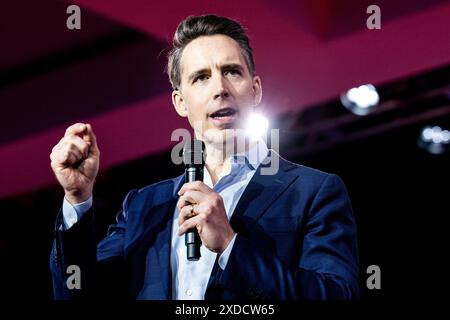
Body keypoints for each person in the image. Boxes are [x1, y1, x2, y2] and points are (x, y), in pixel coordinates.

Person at [49, 14, 359, 300]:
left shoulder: (313, 191)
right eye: (201, 77)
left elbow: (337, 295)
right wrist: (77, 198)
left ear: (255, 90)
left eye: (231, 71)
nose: (220, 88)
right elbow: (78, 294)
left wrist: (230, 245)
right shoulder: (144, 206)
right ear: (180, 102)